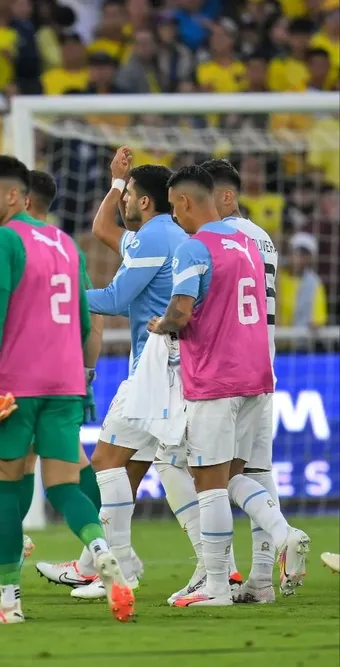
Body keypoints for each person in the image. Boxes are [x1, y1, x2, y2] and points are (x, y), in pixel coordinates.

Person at [0, 155, 133, 625]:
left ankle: (9, 602)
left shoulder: (1, 239)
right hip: (64, 383)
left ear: (15, 196)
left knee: (4, 487)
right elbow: (84, 320)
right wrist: (80, 378)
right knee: (63, 484)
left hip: (16, 385)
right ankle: (101, 550)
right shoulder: (65, 243)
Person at [39, 150, 195, 601]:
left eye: (127, 195)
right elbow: (103, 229)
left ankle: (121, 570)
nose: (122, 201)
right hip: (171, 369)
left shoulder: (151, 240)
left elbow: (111, 299)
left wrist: (52, 296)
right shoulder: (162, 233)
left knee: (108, 463)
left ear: (143, 202)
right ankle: (95, 564)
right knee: (141, 473)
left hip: (155, 371)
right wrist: (114, 181)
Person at [147, 166, 303, 607]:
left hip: (216, 375)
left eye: (176, 207)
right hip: (260, 371)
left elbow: (181, 311)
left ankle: (217, 585)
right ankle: (270, 561)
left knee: (208, 481)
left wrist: (162, 326)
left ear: (185, 202)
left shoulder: (195, 247)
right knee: (247, 474)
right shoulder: (253, 243)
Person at [201, 158, 311, 604]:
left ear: (226, 196)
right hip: (264, 363)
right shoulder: (262, 238)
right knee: (258, 470)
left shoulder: (220, 239)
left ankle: (216, 575)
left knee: (217, 474)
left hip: (228, 368)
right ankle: (262, 580)